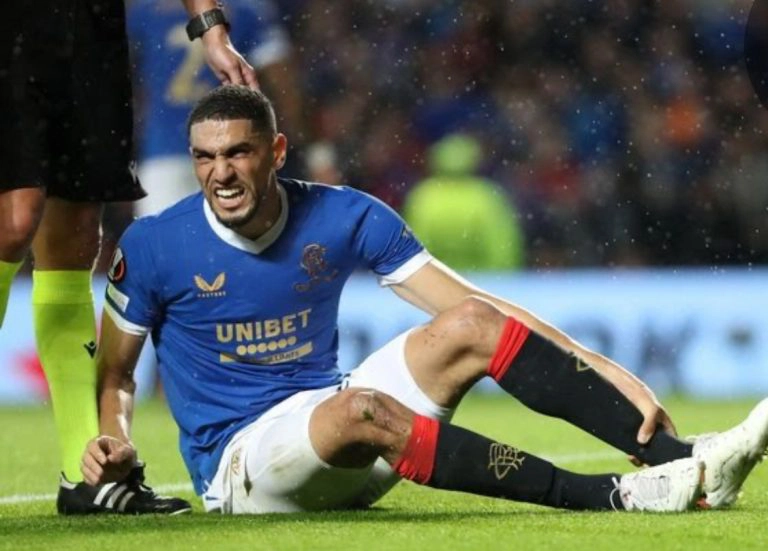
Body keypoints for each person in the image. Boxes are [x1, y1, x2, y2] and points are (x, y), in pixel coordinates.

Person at [82, 86, 768, 514]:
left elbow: (478, 305)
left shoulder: (344, 214)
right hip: (246, 467)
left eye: (238, 152)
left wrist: (608, 368)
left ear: (277, 151)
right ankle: (613, 496)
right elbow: (115, 374)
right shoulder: (154, 245)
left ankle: (683, 459)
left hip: (346, 431)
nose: (221, 173)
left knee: (470, 323)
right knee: (360, 407)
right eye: (205, 157)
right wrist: (118, 441)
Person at [0, 0, 257, 515]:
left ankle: (85, 474)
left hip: (88, 31)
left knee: (75, 235)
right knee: (16, 219)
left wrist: (210, 28)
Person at [128, 0, 305, 217]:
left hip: (163, 154)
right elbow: (283, 85)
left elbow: (126, 79)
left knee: (161, 236)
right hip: (232, 150)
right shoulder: (249, 8)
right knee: (238, 234)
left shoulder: (143, 9)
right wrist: (313, 150)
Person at [403, 133, 525, 270]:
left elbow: (412, 249)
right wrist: (500, 277)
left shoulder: (424, 196)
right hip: (483, 279)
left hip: (434, 278)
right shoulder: (485, 196)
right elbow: (502, 248)